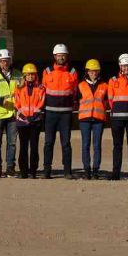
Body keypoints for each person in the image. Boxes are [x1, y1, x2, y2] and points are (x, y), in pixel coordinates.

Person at [39, 43, 80, 177]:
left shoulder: (72, 72)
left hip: (66, 114)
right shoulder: (47, 71)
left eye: (63, 55)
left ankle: (67, 171)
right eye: (58, 55)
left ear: (66, 56)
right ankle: (47, 170)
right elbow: (42, 91)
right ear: (54, 56)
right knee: (48, 142)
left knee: (66, 143)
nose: (61, 57)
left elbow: (75, 91)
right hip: (50, 113)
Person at [104, 54, 128, 179]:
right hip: (117, 118)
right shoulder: (113, 80)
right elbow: (110, 100)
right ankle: (116, 173)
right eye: (124, 65)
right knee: (117, 146)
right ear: (120, 66)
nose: (127, 68)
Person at [0, 48, 22, 177]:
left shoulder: (18, 74)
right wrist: (1, 101)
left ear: (10, 61)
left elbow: (22, 92)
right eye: (1, 61)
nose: (4, 63)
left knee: (12, 142)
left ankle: (10, 167)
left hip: (13, 113)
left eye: (6, 60)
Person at [77, 57, 109, 177]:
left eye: (96, 71)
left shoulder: (104, 86)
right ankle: (86, 169)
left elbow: (107, 101)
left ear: (99, 71)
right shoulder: (80, 85)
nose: (93, 73)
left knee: (97, 145)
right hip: (84, 119)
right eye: (91, 71)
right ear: (87, 71)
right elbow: (76, 100)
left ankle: (95, 169)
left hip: (98, 119)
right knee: (85, 144)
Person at [14, 63, 46, 177]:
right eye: (28, 74)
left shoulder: (40, 88)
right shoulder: (19, 88)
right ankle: (23, 171)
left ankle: (33, 171)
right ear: (24, 76)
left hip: (35, 121)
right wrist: (24, 117)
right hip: (22, 121)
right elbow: (17, 104)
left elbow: (41, 103)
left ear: (35, 75)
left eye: (32, 74)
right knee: (23, 147)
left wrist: (33, 116)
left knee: (34, 147)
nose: (30, 76)